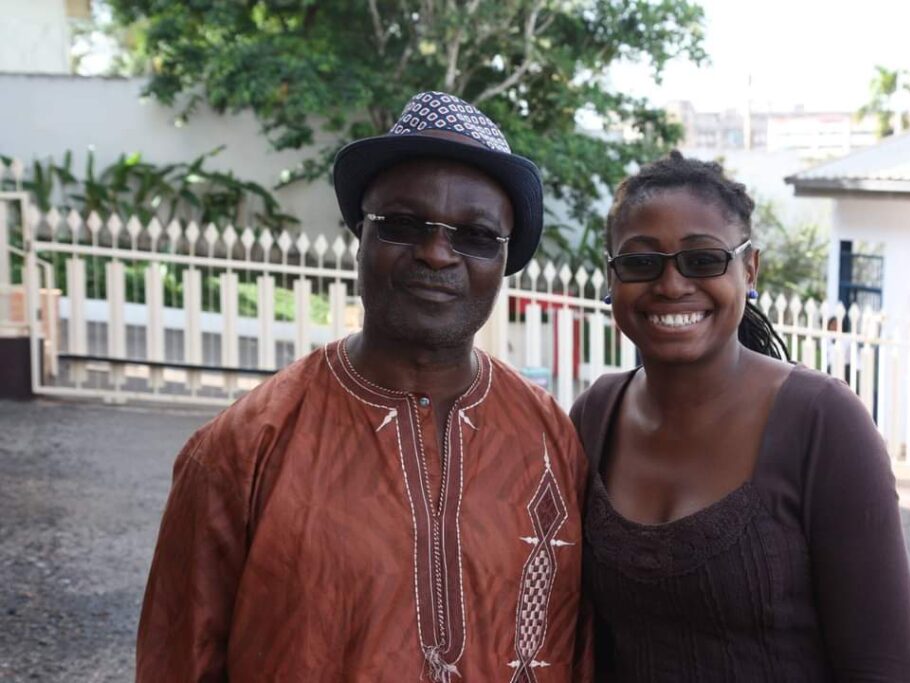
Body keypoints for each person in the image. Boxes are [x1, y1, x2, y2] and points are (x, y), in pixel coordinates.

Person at [137, 91, 592, 682]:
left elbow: (581, 653)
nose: (436, 253)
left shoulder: (550, 438)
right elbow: (179, 657)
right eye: (403, 225)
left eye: (475, 235)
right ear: (360, 236)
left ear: (503, 261)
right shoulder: (245, 446)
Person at [570, 151, 910, 681]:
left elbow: (883, 667)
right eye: (641, 263)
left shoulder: (822, 423)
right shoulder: (595, 415)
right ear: (612, 276)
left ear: (750, 268)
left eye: (703, 259)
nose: (670, 285)